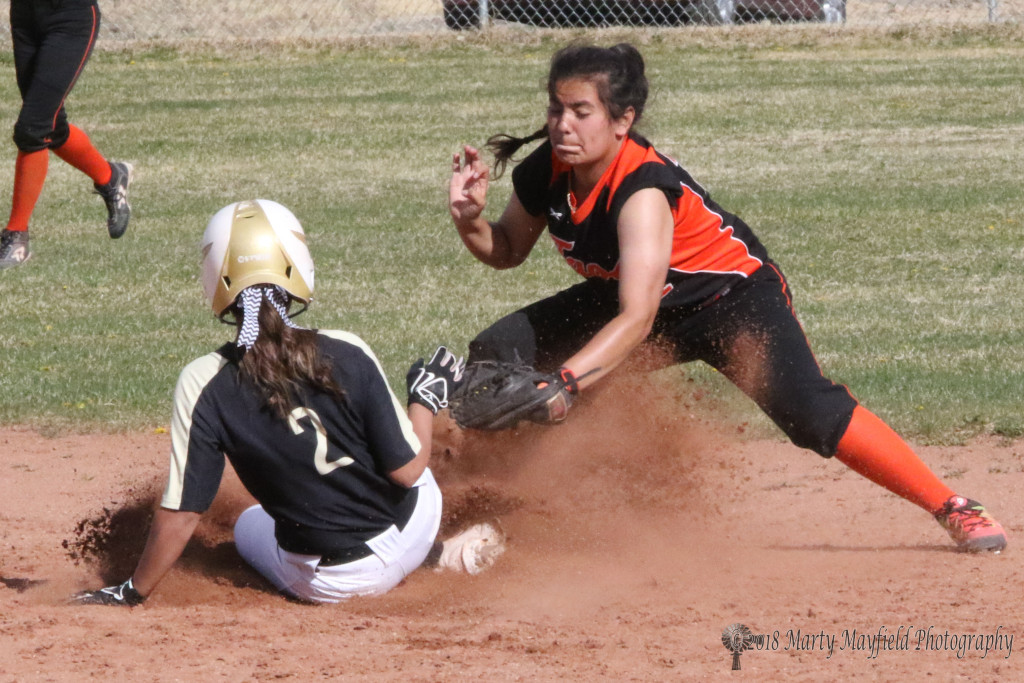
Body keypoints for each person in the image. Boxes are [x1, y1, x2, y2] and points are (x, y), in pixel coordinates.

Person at [447, 43, 1007, 553]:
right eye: (556, 109)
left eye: (581, 111)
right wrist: (469, 221)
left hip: (730, 300)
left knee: (809, 412)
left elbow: (638, 318)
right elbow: (506, 250)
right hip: (639, 300)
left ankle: (952, 505)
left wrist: (566, 382)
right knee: (501, 351)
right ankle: (486, 509)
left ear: (623, 121)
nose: (563, 124)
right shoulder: (549, 170)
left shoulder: (642, 192)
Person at [72, 199, 504, 606]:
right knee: (406, 473)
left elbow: (184, 513)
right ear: (298, 269)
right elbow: (409, 470)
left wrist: (132, 592)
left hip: (339, 583)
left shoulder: (203, 383)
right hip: (414, 526)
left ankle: (430, 559)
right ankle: (437, 554)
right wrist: (423, 401)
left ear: (215, 280)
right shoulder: (347, 349)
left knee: (248, 525)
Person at [0, 0, 133, 270]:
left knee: (33, 128)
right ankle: (110, 177)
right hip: (25, 15)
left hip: (70, 18)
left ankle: (16, 236)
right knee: (51, 126)